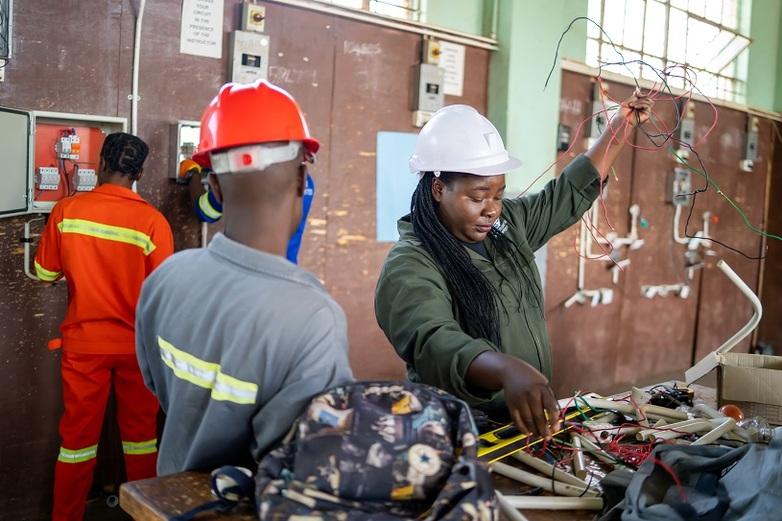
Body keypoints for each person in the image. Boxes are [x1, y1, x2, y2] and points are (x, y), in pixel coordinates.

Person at [375, 94, 653, 439]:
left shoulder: (506, 227)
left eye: (498, 195)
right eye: (477, 198)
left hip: (521, 425)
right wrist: (506, 369)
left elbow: (565, 193)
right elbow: (435, 341)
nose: (491, 209)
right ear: (437, 188)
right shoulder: (411, 264)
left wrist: (621, 123)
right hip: (459, 433)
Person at [135, 80, 353, 475]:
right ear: (303, 180)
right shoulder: (315, 320)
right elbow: (311, 462)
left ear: (215, 185)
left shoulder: (164, 279)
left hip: (171, 496)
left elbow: (160, 387)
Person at [34, 133, 174, 521]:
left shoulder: (67, 211)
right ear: (140, 172)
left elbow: (44, 273)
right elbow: (163, 294)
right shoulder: (152, 222)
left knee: (76, 442)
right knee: (142, 439)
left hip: (84, 348)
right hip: (137, 350)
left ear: (100, 162)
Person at [179, 158, 315, 264]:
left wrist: (193, 173)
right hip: (287, 272)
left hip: (244, 274)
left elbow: (205, 211)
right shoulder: (305, 181)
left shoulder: (245, 178)